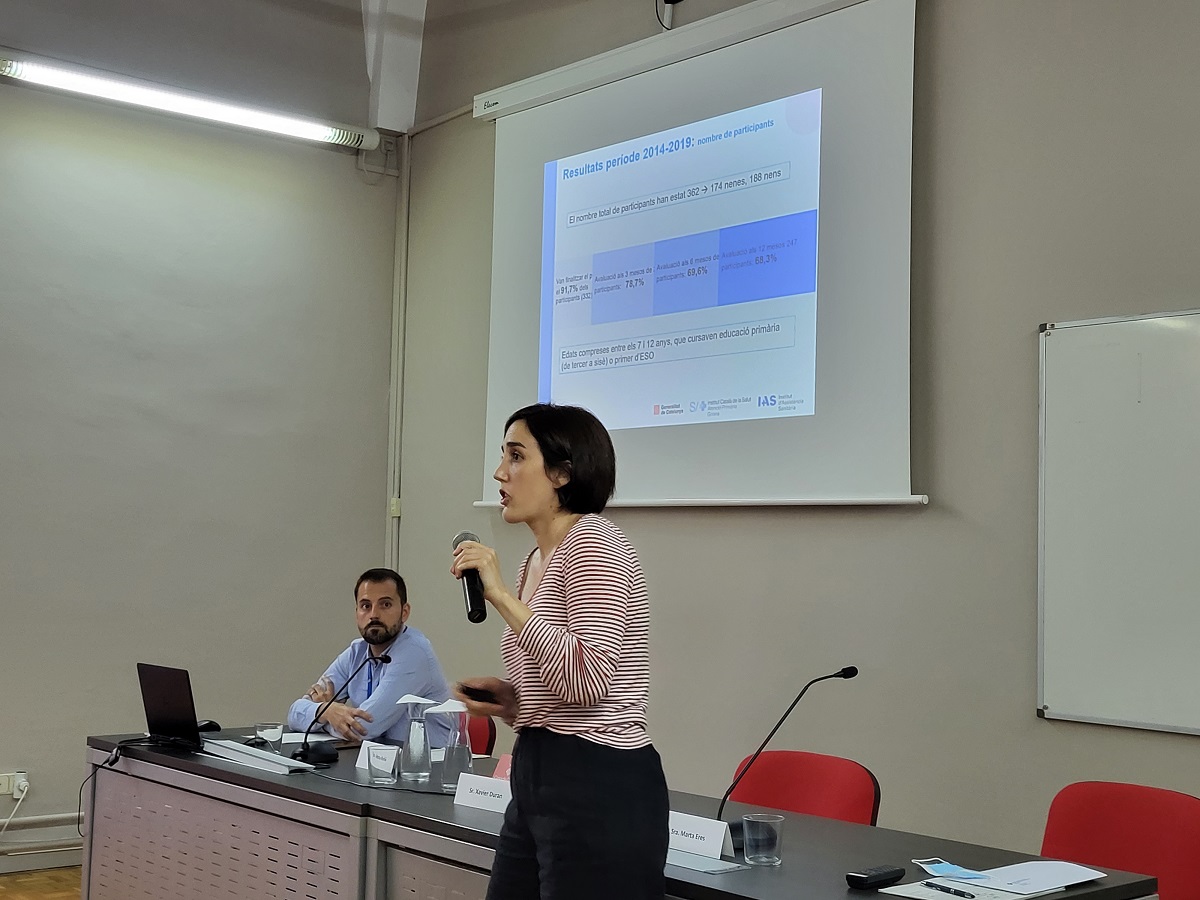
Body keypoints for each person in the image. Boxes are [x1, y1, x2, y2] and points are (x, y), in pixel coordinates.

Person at [450, 403, 668, 900]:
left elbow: (586, 680)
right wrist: (512, 699)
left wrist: (499, 596)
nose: (499, 473)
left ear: (562, 473)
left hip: (598, 782)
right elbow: (557, 682)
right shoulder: (534, 559)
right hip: (537, 772)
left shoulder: (594, 542)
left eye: (516, 456)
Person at [287, 567, 452, 748]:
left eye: (385, 605)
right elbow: (294, 713)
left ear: (404, 612)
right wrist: (325, 711)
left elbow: (362, 728)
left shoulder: (414, 652)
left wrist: (323, 716)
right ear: (356, 612)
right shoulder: (356, 652)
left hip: (429, 762)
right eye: (366, 606)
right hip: (378, 758)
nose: (374, 615)